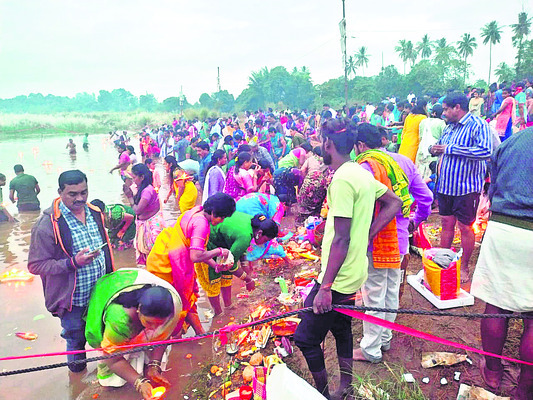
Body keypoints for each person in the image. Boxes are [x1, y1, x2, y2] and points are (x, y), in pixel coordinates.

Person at [293, 118, 402, 399]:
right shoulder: (359, 172)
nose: (319, 147)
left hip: (338, 276)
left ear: (329, 144)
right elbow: (394, 202)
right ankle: (347, 387)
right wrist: (367, 232)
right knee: (342, 327)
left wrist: (325, 288)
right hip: (354, 270)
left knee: (305, 337)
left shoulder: (342, 179)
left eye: (320, 142)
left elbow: (341, 238)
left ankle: (326, 394)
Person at [352, 124, 433, 364]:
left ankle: (371, 349)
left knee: (374, 294)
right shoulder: (404, 162)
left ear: (361, 145)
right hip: (400, 239)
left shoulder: (366, 166)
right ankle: (384, 338)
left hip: (377, 238)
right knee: (389, 290)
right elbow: (426, 198)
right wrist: (414, 222)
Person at [28, 170, 114, 372]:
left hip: (101, 293)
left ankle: (106, 374)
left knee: (107, 335)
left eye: (84, 192)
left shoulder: (94, 212)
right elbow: (35, 266)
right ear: (60, 192)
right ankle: (77, 380)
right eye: (73, 194)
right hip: (72, 300)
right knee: (76, 339)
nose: (80, 198)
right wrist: (72, 263)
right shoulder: (47, 225)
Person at [471, 127, 533, 400]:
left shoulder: (513, 141)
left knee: (496, 304)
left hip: (505, 227)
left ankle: (493, 370)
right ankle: (525, 388)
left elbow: (493, 186)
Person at [147, 193, 236, 335]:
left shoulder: (196, 210)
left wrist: (214, 265)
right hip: (169, 264)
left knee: (186, 299)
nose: (222, 220)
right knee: (177, 302)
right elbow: (195, 256)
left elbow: (197, 249)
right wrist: (220, 251)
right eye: (222, 217)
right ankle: (174, 339)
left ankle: (200, 333)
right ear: (213, 212)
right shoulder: (201, 224)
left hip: (163, 253)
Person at [85, 269, 181, 399]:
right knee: (111, 382)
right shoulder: (120, 320)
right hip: (112, 290)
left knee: (147, 356)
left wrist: (154, 365)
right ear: (139, 310)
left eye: (159, 324)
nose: (153, 329)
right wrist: (139, 382)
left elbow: (164, 336)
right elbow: (111, 358)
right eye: (149, 322)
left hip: (136, 282)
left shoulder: (172, 309)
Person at [430, 92, 492, 283]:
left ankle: (464, 267)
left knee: (465, 227)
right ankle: (443, 263)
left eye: (447, 109)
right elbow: (441, 147)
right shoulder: (449, 128)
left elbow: (485, 151)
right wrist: (434, 149)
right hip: (445, 186)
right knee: (446, 224)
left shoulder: (478, 125)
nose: (444, 113)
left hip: (466, 188)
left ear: (458, 107)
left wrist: (449, 149)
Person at [195, 212, 277, 315]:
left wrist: (244, 264)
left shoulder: (251, 222)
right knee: (213, 281)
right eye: (266, 240)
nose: (264, 243)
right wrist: (248, 280)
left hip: (222, 245)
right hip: (207, 244)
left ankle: (228, 306)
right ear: (259, 233)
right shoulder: (245, 235)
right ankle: (219, 314)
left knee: (226, 276)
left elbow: (237, 244)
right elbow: (231, 264)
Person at [123, 164, 165, 265]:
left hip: (151, 226)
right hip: (145, 223)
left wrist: (129, 197)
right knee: (149, 256)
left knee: (154, 256)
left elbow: (137, 210)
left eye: (134, 178)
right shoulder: (144, 188)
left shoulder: (147, 191)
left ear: (142, 177)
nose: (133, 181)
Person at [297, 147, 331, 224]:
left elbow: (302, 170)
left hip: (309, 182)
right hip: (321, 184)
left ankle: (303, 224)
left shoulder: (310, 159)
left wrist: (305, 179)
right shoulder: (326, 160)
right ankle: (316, 223)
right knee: (318, 205)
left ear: (314, 153)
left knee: (304, 203)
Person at [416, 103, 446, 179]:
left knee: (420, 172)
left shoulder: (423, 121)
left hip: (422, 149)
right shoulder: (442, 123)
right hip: (433, 151)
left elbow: (420, 136)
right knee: (430, 174)